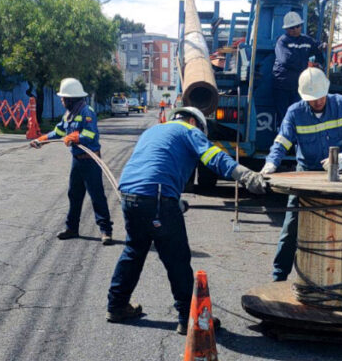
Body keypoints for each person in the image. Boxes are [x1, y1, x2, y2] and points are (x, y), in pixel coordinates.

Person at [106, 106, 266, 334]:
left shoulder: (153, 131)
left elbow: (155, 166)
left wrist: (171, 201)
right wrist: (245, 175)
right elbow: (214, 157)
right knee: (177, 259)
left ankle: (116, 306)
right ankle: (188, 317)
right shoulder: (188, 130)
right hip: (158, 198)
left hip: (131, 196)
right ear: (193, 121)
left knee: (134, 250)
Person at [260, 67, 342, 282]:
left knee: (340, 227)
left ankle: (335, 278)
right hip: (305, 175)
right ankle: (278, 277)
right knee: (291, 228)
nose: (317, 102)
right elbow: (281, 142)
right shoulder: (295, 112)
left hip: (336, 175)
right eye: (312, 99)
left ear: (326, 91)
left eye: (320, 97)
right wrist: (271, 164)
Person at [30, 78, 113, 245]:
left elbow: (92, 135)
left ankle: (106, 230)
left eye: (63, 98)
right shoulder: (69, 114)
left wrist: (76, 137)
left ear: (70, 98)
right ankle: (72, 228)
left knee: (97, 196)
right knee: (74, 195)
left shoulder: (86, 112)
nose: (61, 100)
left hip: (90, 160)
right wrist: (42, 139)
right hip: (77, 161)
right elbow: (58, 132)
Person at [272, 11, 325, 121]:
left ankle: (295, 136)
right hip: (282, 84)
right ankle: (283, 134)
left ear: (301, 26)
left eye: (298, 26)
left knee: (297, 114)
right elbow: (286, 60)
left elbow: (317, 48)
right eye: (292, 27)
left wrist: (322, 49)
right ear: (286, 29)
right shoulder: (282, 41)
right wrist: (308, 64)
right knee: (284, 115)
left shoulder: (306, 40)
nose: (295, 29)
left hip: (299, 85)